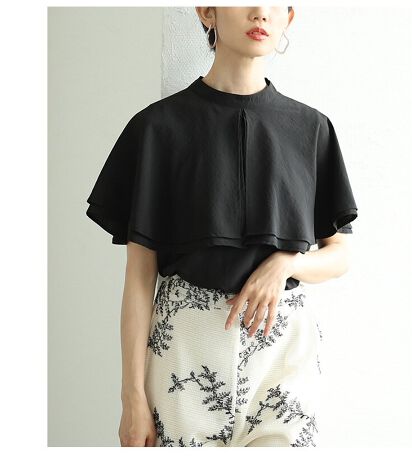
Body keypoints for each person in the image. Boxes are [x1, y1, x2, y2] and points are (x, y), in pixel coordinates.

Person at [86, 6, 358, 447]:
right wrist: (131, 396)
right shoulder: (157, 128)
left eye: (275, 4)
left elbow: (340, 254)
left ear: (289, 18)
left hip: (284, 357)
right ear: (207, 11)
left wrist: (286, 264)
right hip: (184, 353)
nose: (260, 13)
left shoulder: (311, 129)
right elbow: (139, 276)